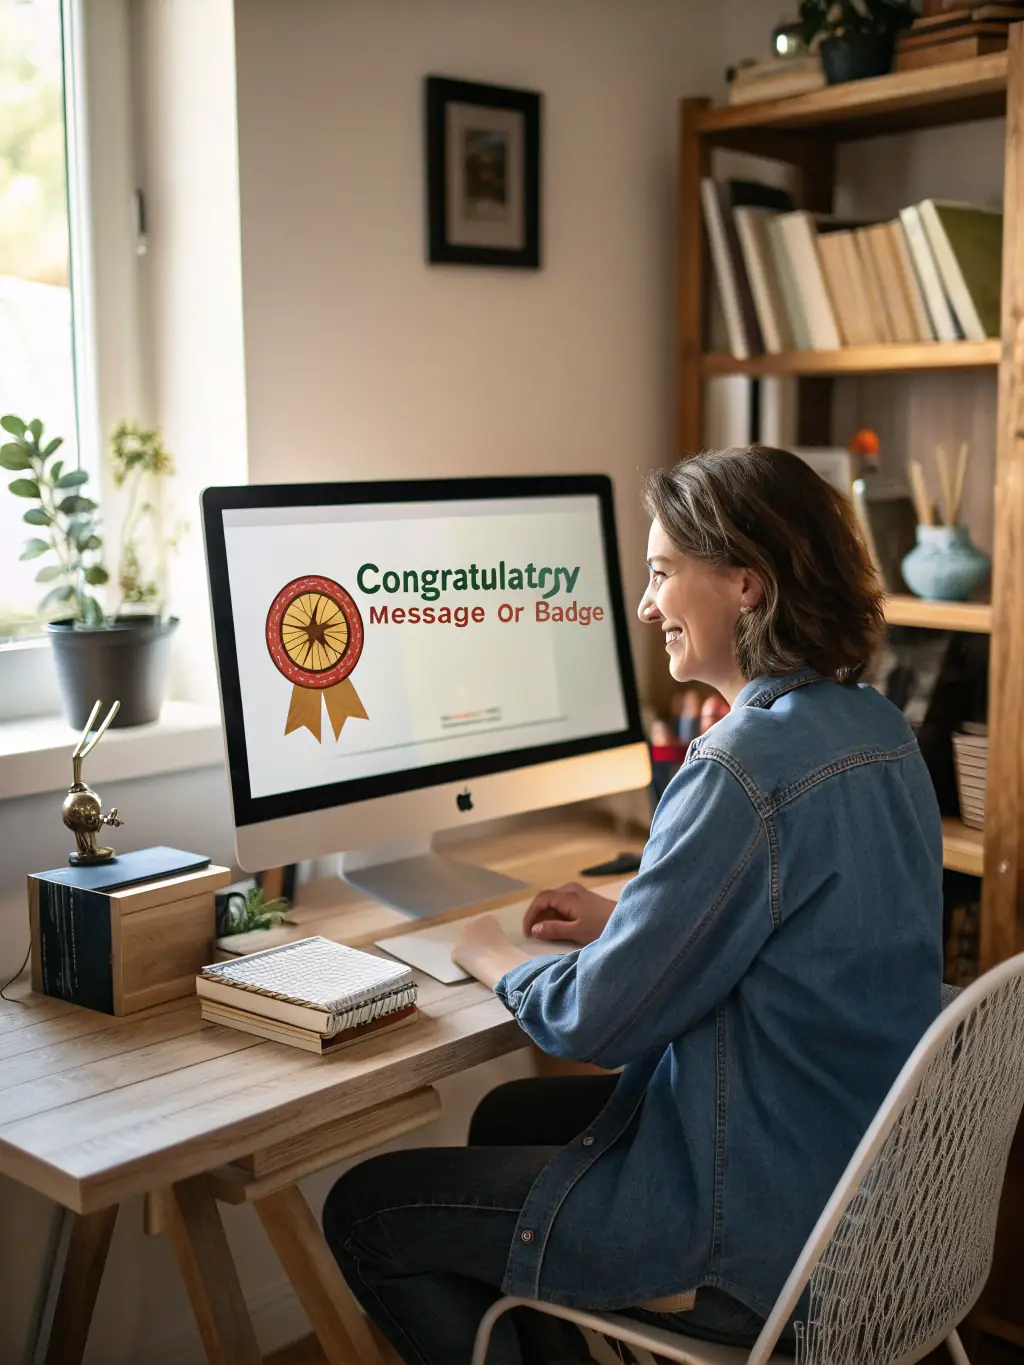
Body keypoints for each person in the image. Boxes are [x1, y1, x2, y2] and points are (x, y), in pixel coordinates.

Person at [322, 446, 944, 1365]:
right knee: (507, 1120)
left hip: (753, 1236)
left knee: (368, 1208)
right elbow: (808, 937)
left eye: (661, 574)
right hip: (856, 1204)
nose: (647, 606)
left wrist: (491, 952)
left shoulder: (739, 769)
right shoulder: (881, 732)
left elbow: (594, 1021)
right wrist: (630, 924)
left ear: (746, 582)